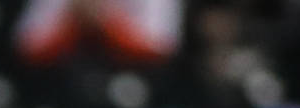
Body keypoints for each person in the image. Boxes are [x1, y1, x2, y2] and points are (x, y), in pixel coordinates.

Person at [14, 0, 182, 66]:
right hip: (65, 75)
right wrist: (73, 21)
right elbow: (27, 45)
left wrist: (106, 23)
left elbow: (161, 48)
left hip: (131, 74)